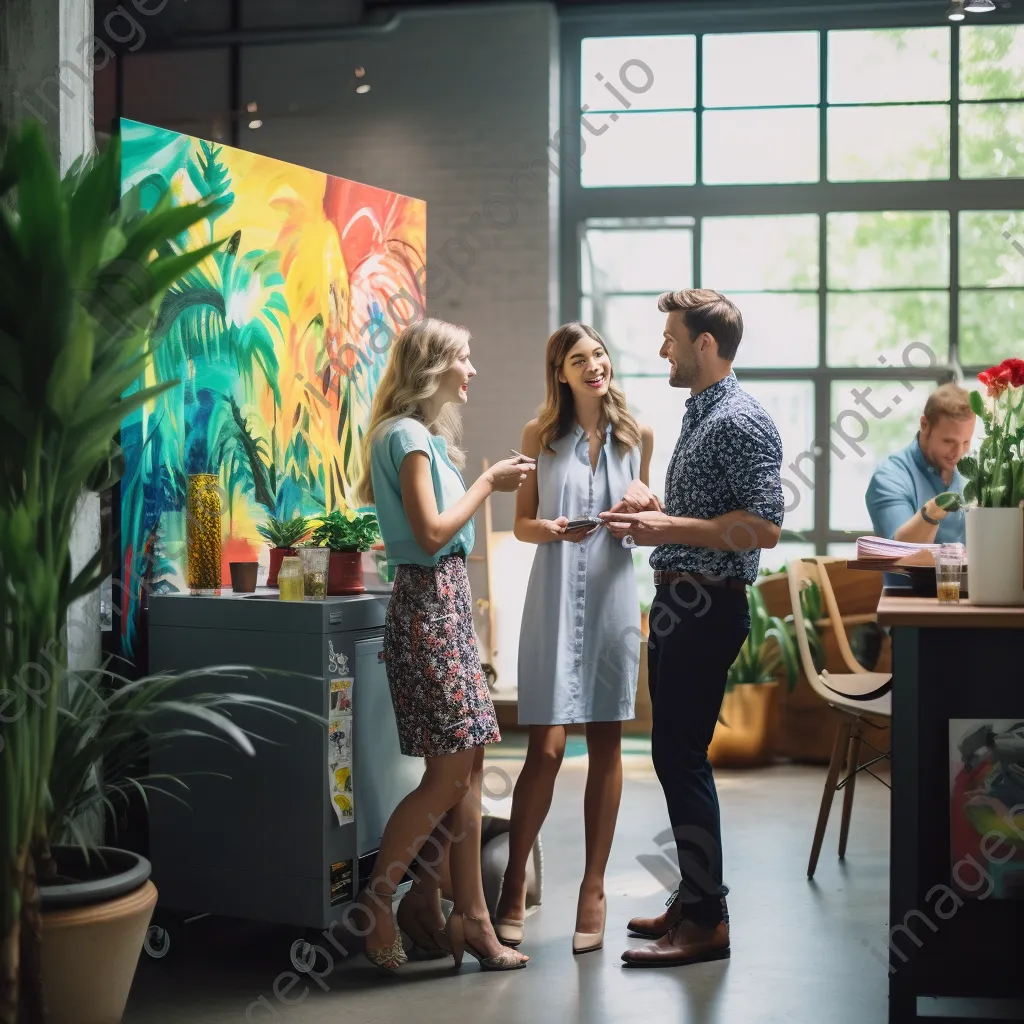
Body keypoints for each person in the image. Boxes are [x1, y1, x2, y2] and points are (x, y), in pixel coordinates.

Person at [600, 289, 784, 968]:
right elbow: (716, 515)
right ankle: (695, 896)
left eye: (672, 337)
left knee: (682, 758)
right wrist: (662, 505)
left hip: (706, 609)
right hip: (683, 602)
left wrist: (666, 526)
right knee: (675, 756)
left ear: (705, 344)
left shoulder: (739, 420)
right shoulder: (703, 413)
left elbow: (763, 527)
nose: (662, 348)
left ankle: (706, 920)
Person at [354, 317, 533, 973]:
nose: (473, 371)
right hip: (430, 608)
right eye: (465, 358)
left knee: (471, 771)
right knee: (448, 774)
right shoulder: (406, 437)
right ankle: (379, 900)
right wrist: (489, 485)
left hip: (445, 607)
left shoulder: (419, 438)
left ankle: (475, 919)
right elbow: (430, 535)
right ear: (434, 367)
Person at [492, 323, 654, 955]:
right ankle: (512, 885)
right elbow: (523, 526)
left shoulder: (635, 433)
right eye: (580, 359)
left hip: (614, 597)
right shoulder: (540, 437)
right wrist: (552, 529)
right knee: (548, 748)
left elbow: (648, 523)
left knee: (608, 741)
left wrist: (643, 507)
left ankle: (593, 886)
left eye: (601, 355)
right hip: (555, 595)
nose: (595, 366)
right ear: (560, 372)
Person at [865, 382, 975, 584]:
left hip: (969, 600)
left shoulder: (971, 474)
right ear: (925, 425)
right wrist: (931, 513)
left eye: (966, 442)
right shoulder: (890, 477)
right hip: (909, 605)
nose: (959, 453)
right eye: (948, 441)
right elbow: (901, 555)